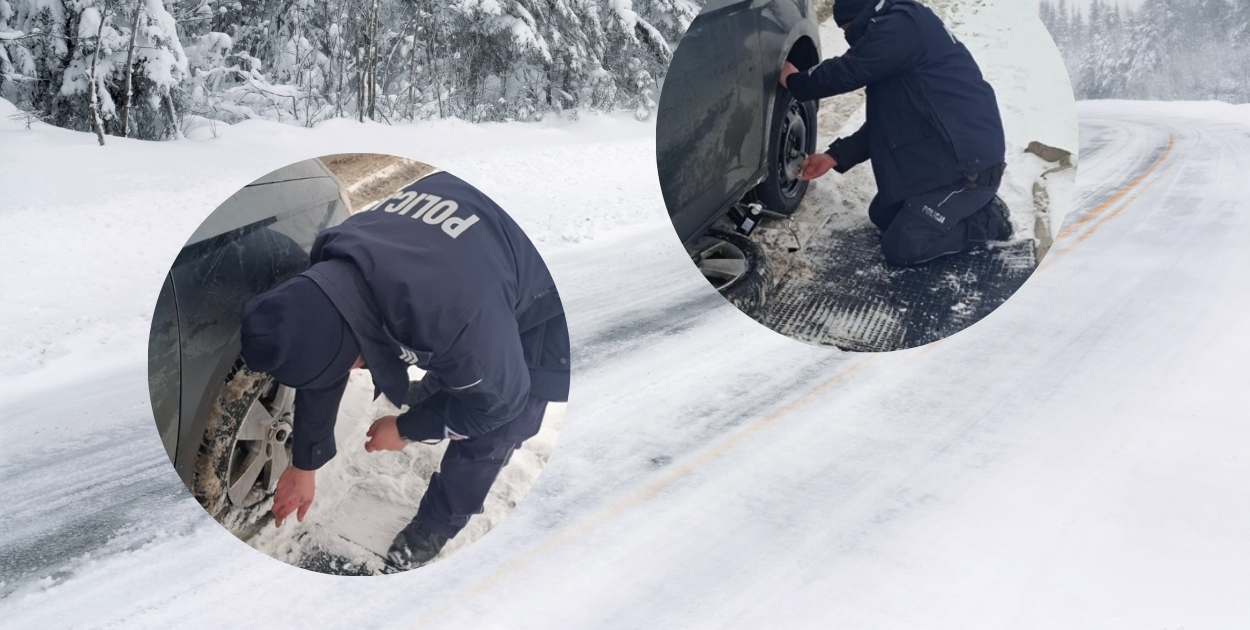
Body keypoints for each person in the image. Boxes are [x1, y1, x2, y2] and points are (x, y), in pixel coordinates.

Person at [238, 170, 570, 569]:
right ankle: (446, 385)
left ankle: (439, 521)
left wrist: (408, 429)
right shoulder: (336, 255)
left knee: (502, 421)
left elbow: (500, 403)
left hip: (542, 278)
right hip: (476, 255)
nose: (355, 371)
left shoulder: (455, 320)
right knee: (467, 358)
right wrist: (304, 463)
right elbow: (323, 349)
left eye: (352, 366)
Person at [779, 0, 1012, 266]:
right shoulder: (899, 42)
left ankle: (988, 220)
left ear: (863, 16)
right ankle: (956, 209)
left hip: (969, 168)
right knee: (883, 213)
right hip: (944, 157)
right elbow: (887, 123)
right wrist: (834, 156)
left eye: (847, 29)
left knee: (903, 246)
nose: (849, 38)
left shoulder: (904, 24)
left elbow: (847, 70)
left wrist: (796, 81)